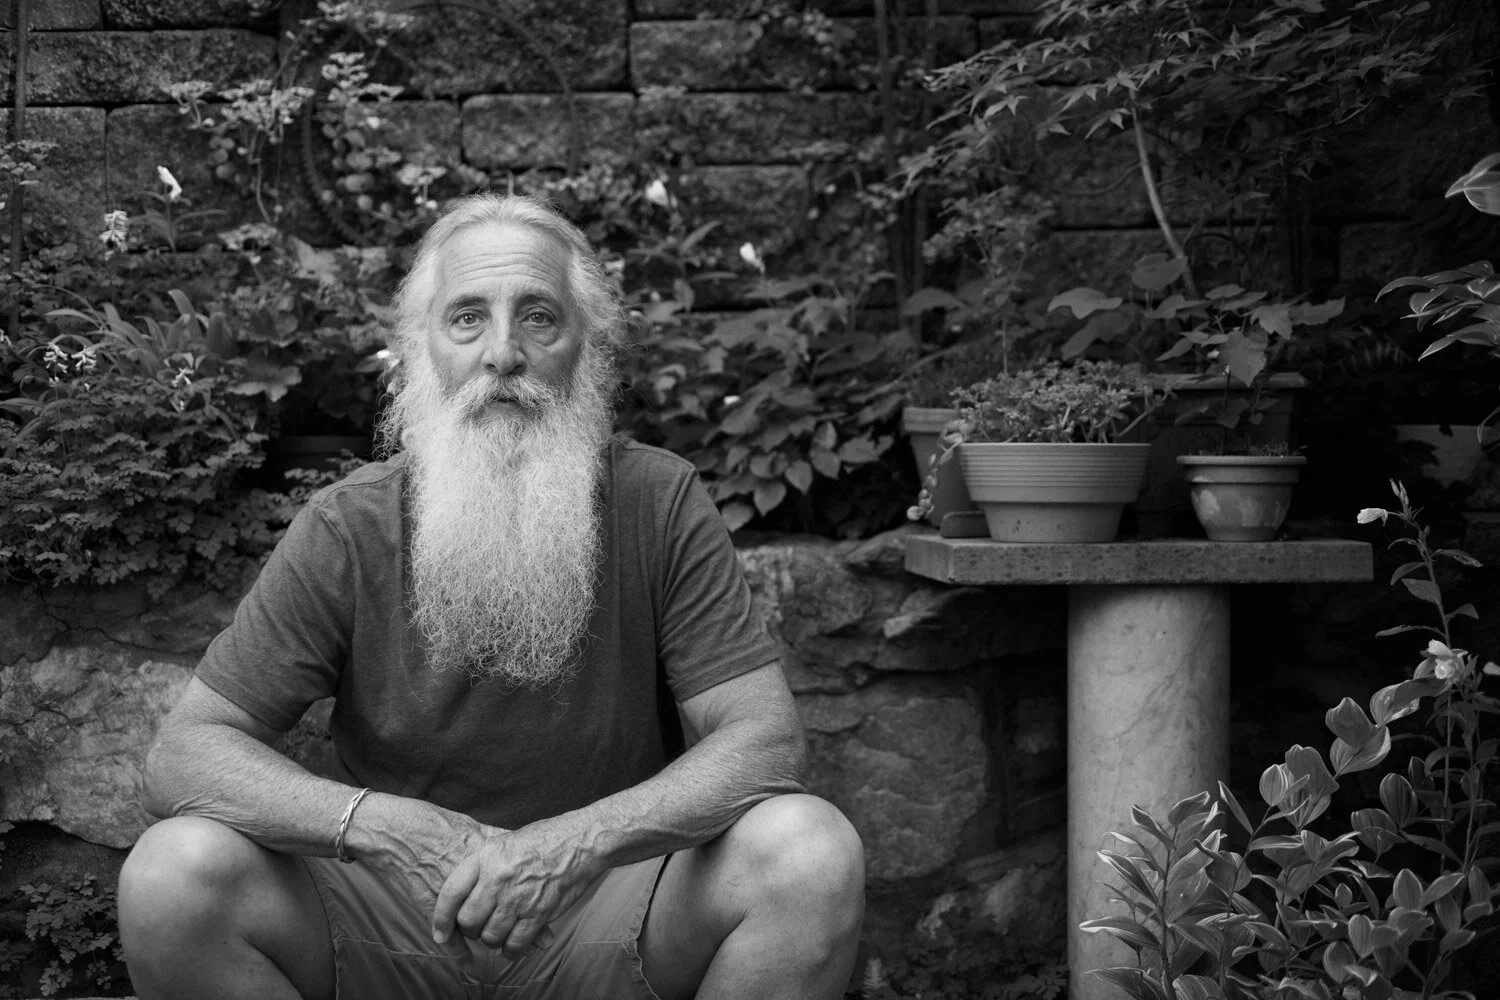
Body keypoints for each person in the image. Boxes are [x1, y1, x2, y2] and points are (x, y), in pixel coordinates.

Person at [117, 193, 865, 1000]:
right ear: (420, 349)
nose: (502, 353)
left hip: (609, 906)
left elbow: (764, 742)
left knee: (808, 854)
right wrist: (385, 828)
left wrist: (571, 848)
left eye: (539, 317)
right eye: (467, 318)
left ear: (589, 348)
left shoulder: (658, 499)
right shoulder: (346, 525)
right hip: (395, 915)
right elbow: (185, 756)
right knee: (173, 876)